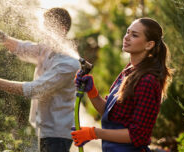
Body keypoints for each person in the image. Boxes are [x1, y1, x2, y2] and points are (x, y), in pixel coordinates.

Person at [0, 7, 80, 152]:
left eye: (47, 27)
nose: (43, 30)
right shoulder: (47, 49)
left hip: (57, 135)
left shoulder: (68, 64)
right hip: (45, 128)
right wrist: (4, 38)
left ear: (61, 30)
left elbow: (33, 89)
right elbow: (24, 48)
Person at [72, 17, 172, 152]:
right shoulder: (128, 72)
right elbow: (110, 114)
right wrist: (92, 92)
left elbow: (138, 135)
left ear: (149, 44)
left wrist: (94, 133)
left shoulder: (148, 81)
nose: (127, 37)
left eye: (134, 35)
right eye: (127, 32)